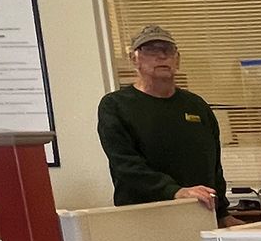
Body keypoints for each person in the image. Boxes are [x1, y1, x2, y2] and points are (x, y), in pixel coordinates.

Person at [97, 25, 229, 221]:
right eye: (150, 50)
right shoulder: (116, 106)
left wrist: (223, 212)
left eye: (167, 50)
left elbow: (214, 165)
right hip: (145, 219)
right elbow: (125, 165)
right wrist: (174, 191)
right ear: (134, 59)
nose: (161, 56)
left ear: (177, 59)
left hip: (199, 214)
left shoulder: (196, 106)